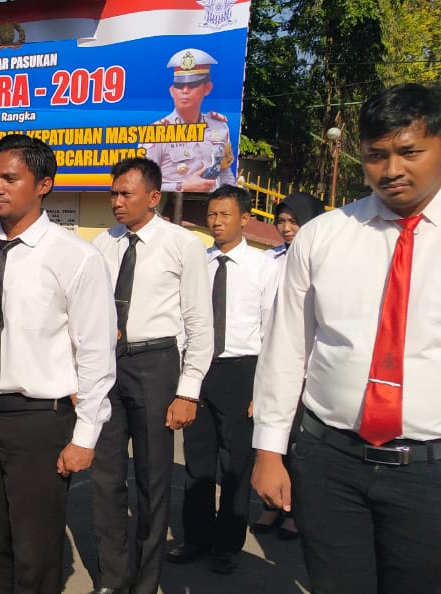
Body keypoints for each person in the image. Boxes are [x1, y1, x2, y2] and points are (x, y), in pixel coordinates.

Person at [252, 82, 441, 594]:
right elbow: (286, 347)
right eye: (376, 155)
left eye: (409, 152)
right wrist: (269, 450)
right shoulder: (325, 235)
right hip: (330, 461)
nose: (391, 169)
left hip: (430, 469)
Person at [0, 134, 115, 592]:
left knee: (36, 551)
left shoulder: (76, 258)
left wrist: (86, 434)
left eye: (10, 178)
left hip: (40, 421)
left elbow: (94, 353)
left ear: (44, 184)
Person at [89, 157, 213, 594]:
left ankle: (145, 581)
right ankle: (113, 577)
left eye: (126, 194)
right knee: (104, 479)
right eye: (113, 193)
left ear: (154, 197)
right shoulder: (102, 244)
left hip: (156, 365)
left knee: (152, 479)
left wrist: (188, 391)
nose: (116, 202)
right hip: (107, 365)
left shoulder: (183, 245)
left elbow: (199, 323)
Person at [167, 184, 279, 574]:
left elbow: (272, 333)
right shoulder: (199, 262)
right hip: (201, 367)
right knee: (198, 461)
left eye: (224, 215)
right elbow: (185, 319)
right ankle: (195, 538)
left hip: (241, 371)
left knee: (236, 465)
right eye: (211, 215)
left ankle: (227, 544)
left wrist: (262, 389)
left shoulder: (265, 268)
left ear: (244, 219)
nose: (215, 222)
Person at [250, 190, 323, 539]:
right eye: (281, 221)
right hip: (274, 361)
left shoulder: (326, 257)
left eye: (295, 221)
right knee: (272, 439)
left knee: (301, 444)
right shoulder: (270, 261)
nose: (287, 227)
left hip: (313, 369)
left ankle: (296, 511)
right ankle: (271, 506)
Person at [141, 48, 235, 193]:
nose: (185, 90)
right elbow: (143, 185)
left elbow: (225, 173)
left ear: (207, 88)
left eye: (192, 85)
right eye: (179, 85)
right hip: (172, 208)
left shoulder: (220, 127)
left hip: (213, 209)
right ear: (172, 91)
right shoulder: (156, 132)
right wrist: (181, 187)